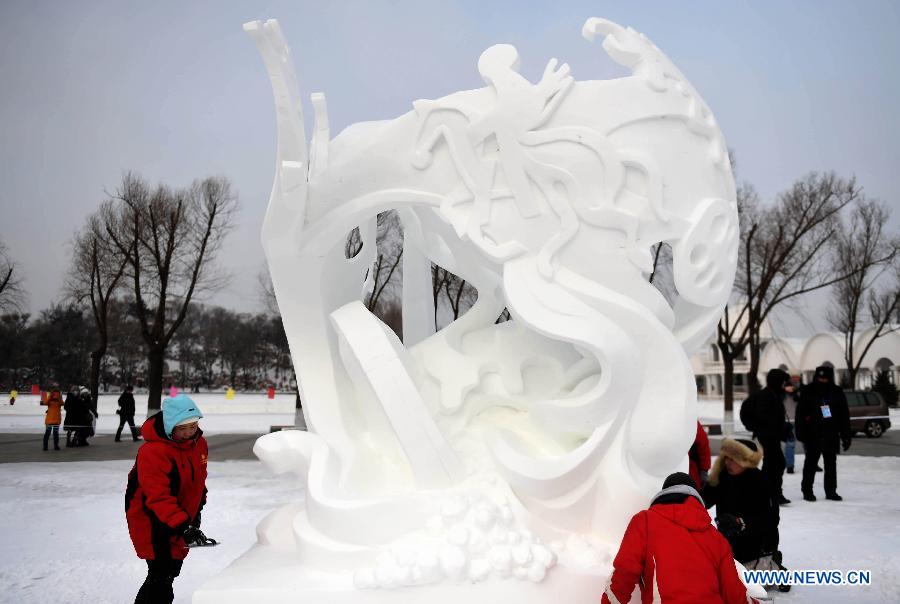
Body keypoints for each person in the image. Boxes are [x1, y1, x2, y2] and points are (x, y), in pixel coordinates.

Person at [602, 472, 760, 604]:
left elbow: (625, 573)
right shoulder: (715, 537)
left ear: (664, 494)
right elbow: (733, 591)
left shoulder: (645, 521)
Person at [125, 394, 217, 603]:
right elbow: (157, 497)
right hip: (153, 521)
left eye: (193, 426)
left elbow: (198, 482)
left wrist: (196, 513)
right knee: (161, 577)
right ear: (169, 426)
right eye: (182, 428)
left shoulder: (199, 444)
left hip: (180, 519)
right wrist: (183, 525)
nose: (189, 433)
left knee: (168, 575)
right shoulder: (153, 451)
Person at [703, 438, 783, 583]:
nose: (727, 462)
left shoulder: (761, 481)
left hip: (758, 543)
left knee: (747, 584)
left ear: (746, 461)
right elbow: (703, 500)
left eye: (733, 459)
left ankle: (775, 567)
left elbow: (771, 519)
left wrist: (741, 523)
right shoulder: (721, 478)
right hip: (727, 541)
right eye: (726, 458)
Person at [795, 365, 851, 501]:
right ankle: (807, 490)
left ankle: (831, 491)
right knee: (811, 463)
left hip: (831, 433)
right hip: (812, 434)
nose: (822, 381)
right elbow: (800, 413)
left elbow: (844, 415)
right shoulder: (808, 391)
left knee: (831, 463)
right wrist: (800, 431)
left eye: (825, 378)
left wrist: (846, 436)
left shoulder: (836, 391)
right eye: (820, 378)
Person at [740, 369, 792, 504]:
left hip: (770, 434)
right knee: (775, 463)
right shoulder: (767, 396)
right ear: (777, 382)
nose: (784, 385)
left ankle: (770, 492)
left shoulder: (773, 394)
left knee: (774, 463)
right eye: (782, 382)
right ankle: (769, 492)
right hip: (767, 435)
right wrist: (780, 426)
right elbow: (765, 417)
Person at [688, 420, 711, 490]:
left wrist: (704, 470)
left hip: (691, 472)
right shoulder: (690, 421)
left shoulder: (690, 421)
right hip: (691, 474)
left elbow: (703, 446)